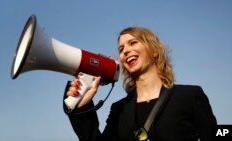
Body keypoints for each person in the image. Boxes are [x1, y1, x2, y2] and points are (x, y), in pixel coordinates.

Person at [63, 27, 217, 141]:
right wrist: (83, 108)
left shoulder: (190, 96)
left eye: (133, 43)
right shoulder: (119, 109)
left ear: (154, 50)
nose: (125, 51)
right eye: (121, 49)